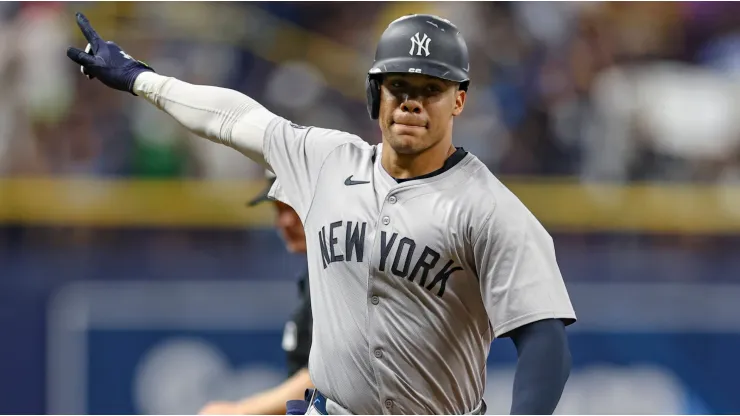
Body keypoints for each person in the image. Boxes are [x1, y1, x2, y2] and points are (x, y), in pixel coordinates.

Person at [67, 12, 576, 415]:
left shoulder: (490, 208)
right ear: (376, 92)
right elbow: (235, 118)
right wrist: (140, 79)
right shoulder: (328, 159)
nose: (412, 102)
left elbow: (543, 341)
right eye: (399, 85)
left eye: (431, 90)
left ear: (459, 101)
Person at [199, 172, 315, 415]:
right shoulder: (312, 274)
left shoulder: (344, 277)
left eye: (292, 208)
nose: (283, 222)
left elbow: (328, 379)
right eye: (277, 210)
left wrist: (240, 410)